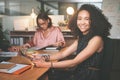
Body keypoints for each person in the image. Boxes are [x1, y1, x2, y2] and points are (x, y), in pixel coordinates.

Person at [31, 4, 112, 80]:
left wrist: (46, 64)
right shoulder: (81, 38)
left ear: (93, 21)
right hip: (79, 72)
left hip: (88, 76)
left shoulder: (96, 39)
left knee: (48, 75)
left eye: (86, 19)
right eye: (79, 19)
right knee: (49, 75)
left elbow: (74, 62)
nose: (82, 22)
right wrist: (43, 57)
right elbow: (63, 54)